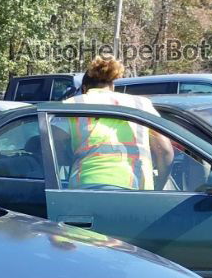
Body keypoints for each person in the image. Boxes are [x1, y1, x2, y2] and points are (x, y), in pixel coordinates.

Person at [62, 57, 174, 190]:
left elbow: (52, 144)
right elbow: (165, 150)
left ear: (84, 88)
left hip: (88, 185)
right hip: (137, 187)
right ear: (113, 86)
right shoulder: (141, 104)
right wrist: (159, 185)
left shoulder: (74, 104)